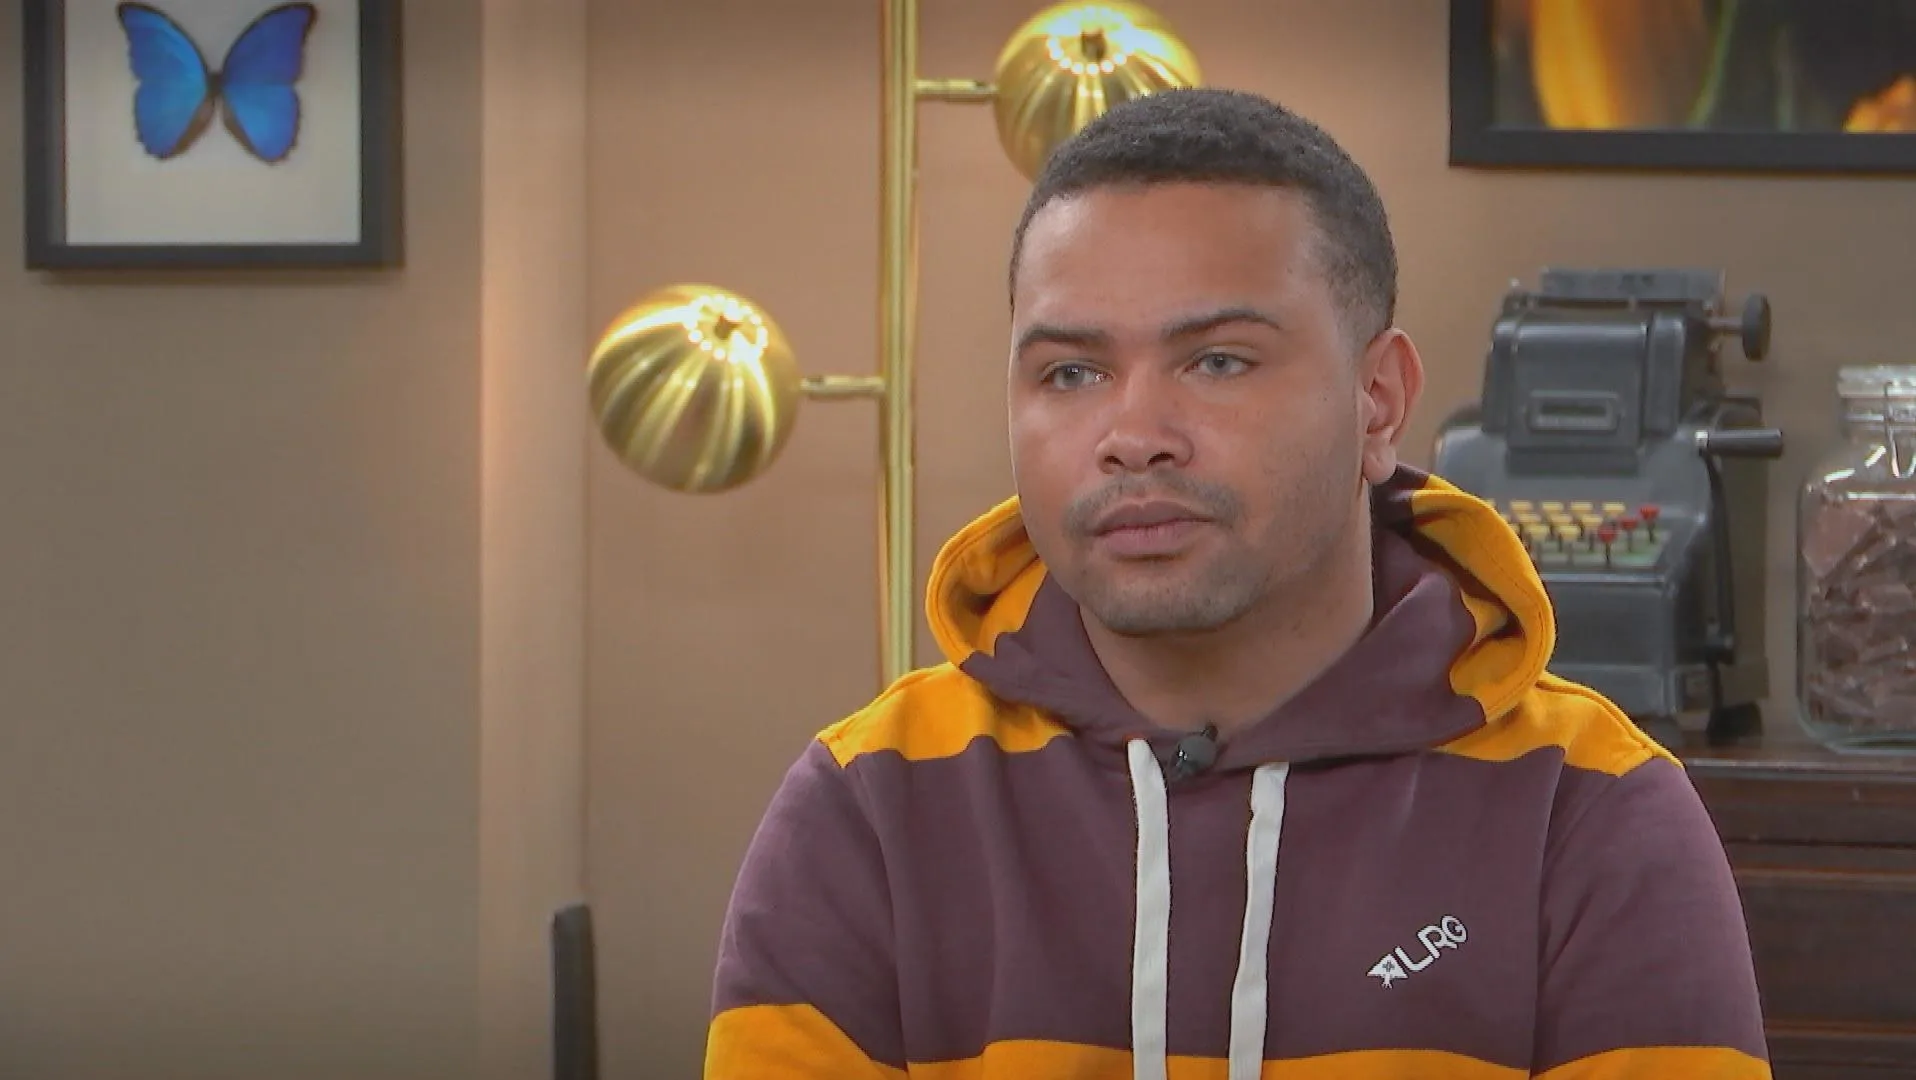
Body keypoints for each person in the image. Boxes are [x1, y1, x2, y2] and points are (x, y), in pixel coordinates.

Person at [703, 88, 1770, 1080]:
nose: (1133, 436)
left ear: (1379, 402)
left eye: (1217, 361)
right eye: (1071, 373)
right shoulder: (873, 803)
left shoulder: (1589, 810)